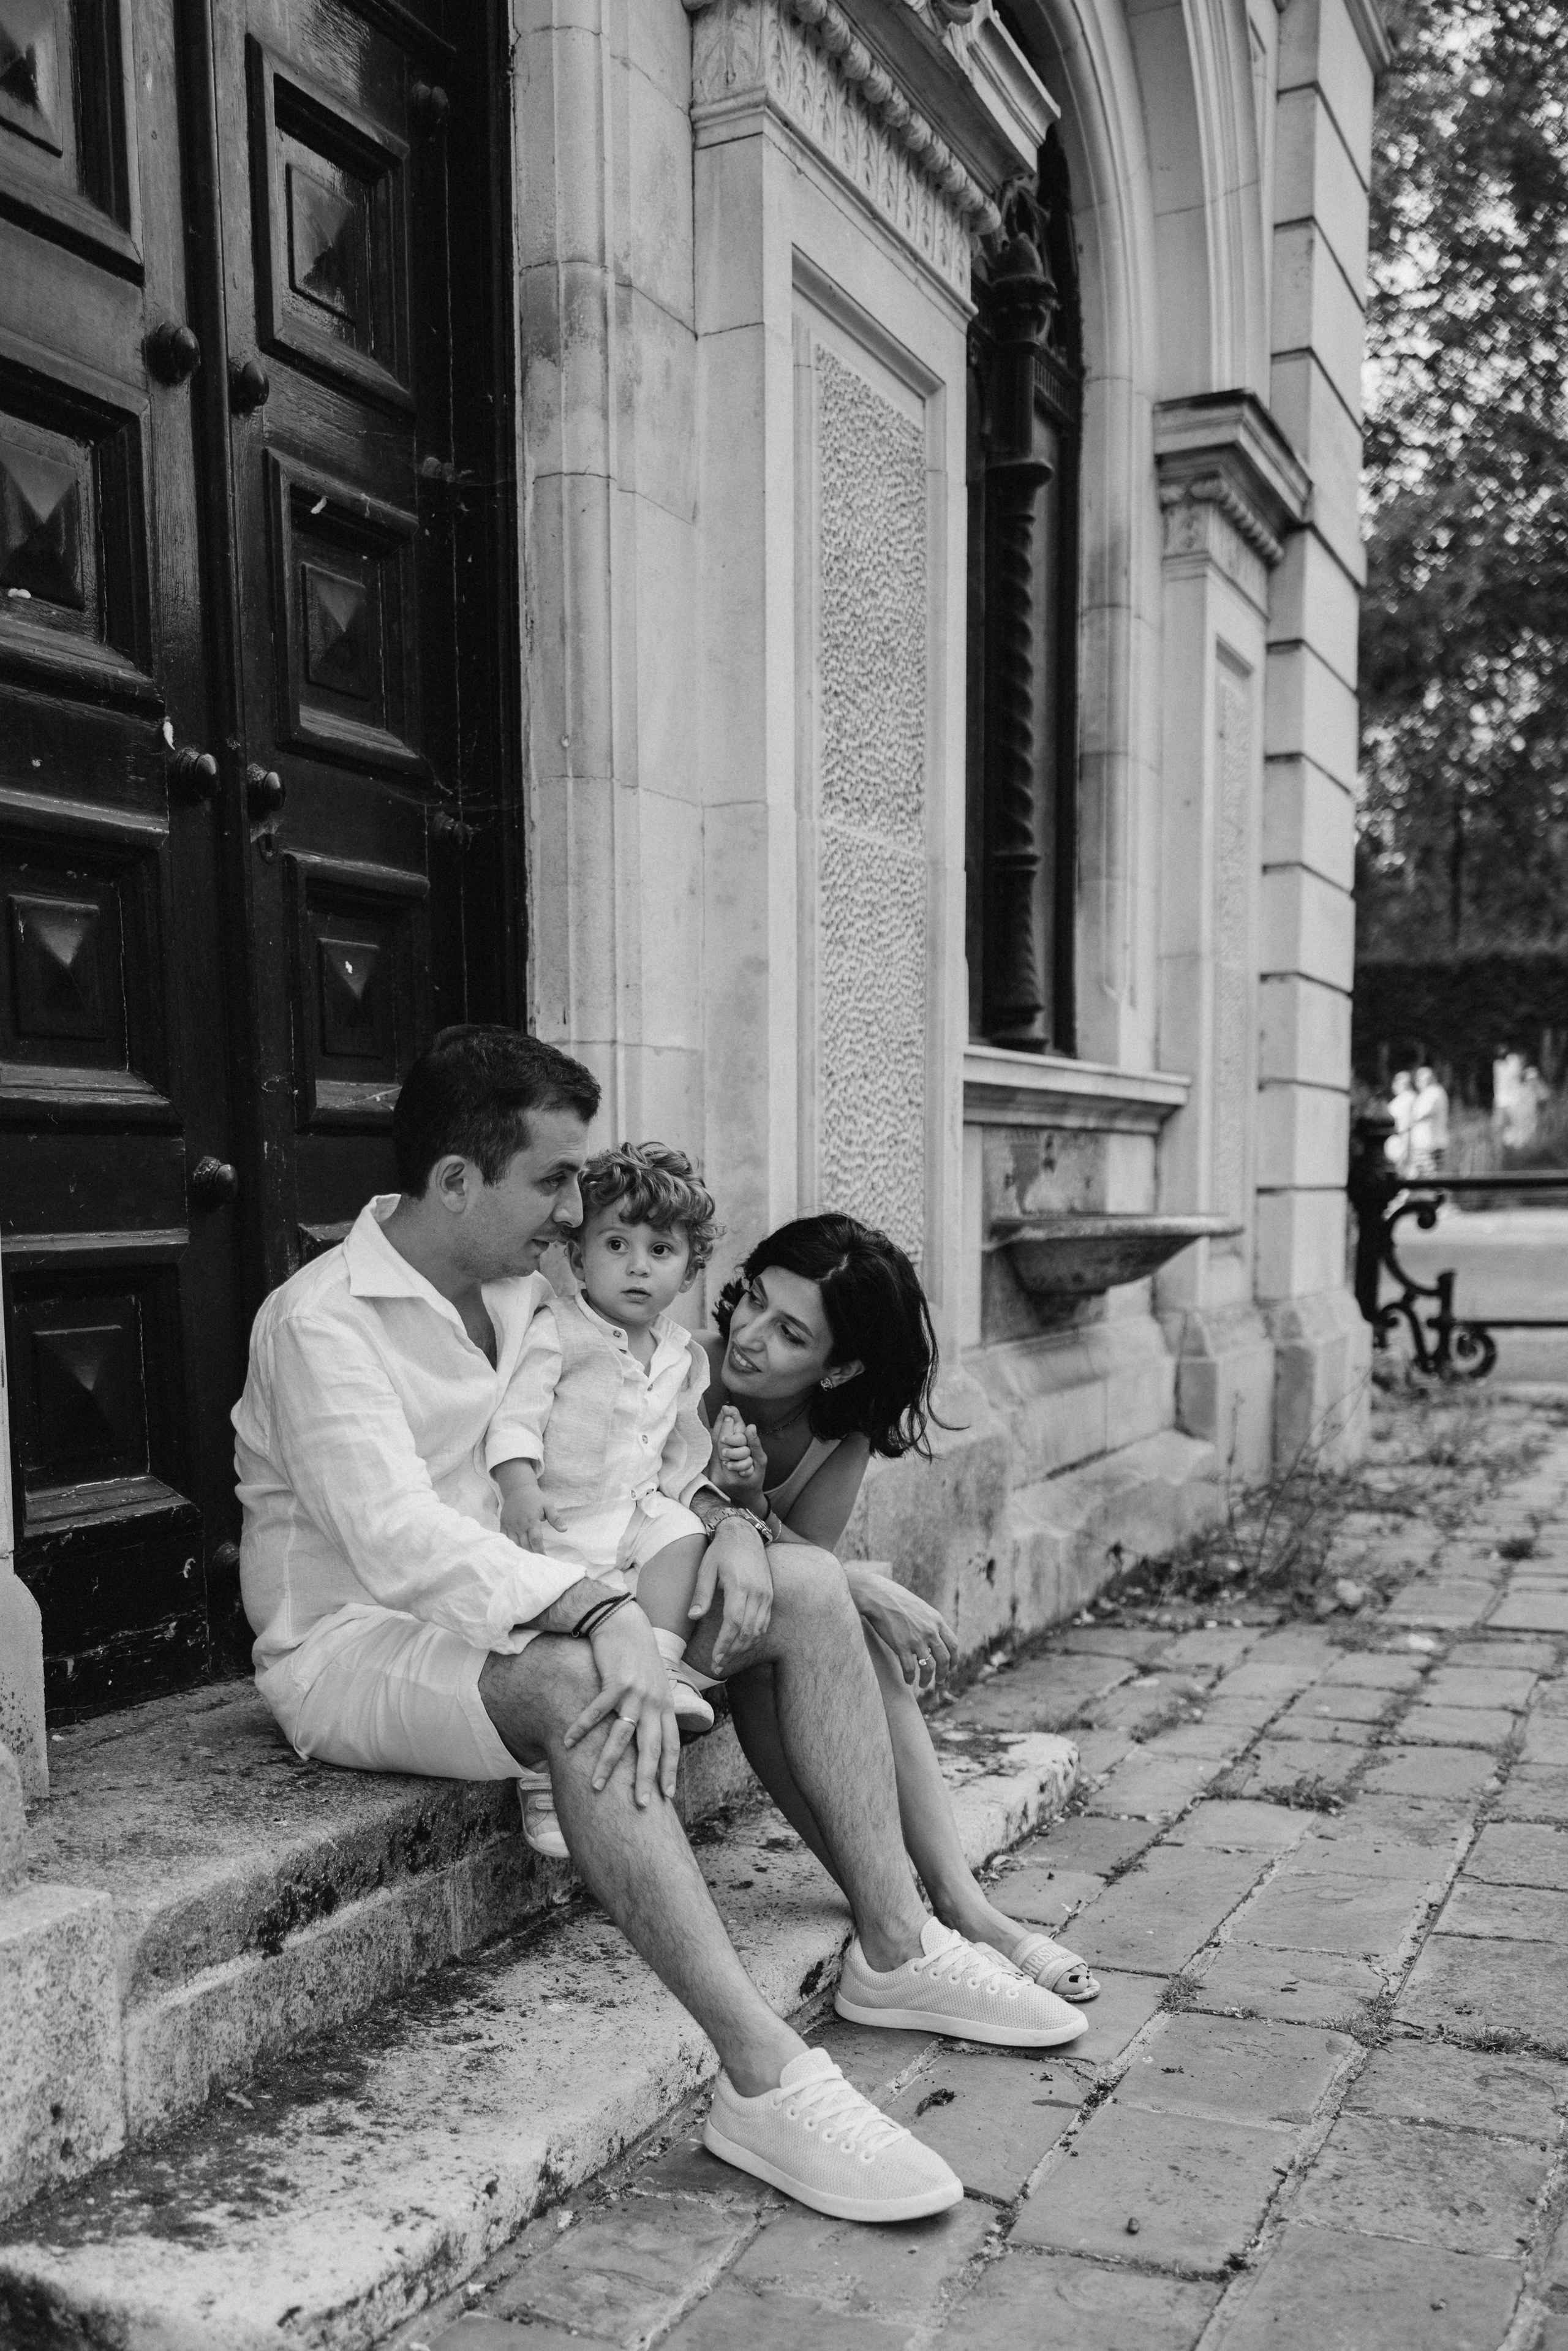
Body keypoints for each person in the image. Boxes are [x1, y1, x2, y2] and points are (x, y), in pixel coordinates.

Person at [233, 1026, 1087, 2232]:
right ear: (457, 1182)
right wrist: (599, 1610)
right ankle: (761, 2074)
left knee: (807, 1586)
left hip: (525, 1603)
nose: (577, 1208)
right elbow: (400, 1543)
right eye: (553, 1180)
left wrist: (727, 1530)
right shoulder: (319, 1322)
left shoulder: (524, 1289)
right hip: (356, 1644)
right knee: (583, 1667)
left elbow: (619, 1468)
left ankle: (894, 1942)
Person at [703, 1213, 1099, 2005]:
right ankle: (908, 1912)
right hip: (665, 1602)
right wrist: (863, 1583)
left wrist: (825, 1566)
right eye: (752, 1300)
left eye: (789, 1332)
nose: (748, 1333)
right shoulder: (691, 1372)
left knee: (830, 1636)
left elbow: (797, 1568)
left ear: (841, 1366)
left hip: (744, 1613)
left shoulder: (834, 1442)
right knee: (809, 1630)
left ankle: (958, 1906)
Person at [492, 1142, 723, 1859]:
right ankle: (541, 1781)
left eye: (660, 1250)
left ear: (688, 1270)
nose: (636, 1265)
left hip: (632, 1510)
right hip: (561, 1520)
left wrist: (705, 1502)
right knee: (561, 1651)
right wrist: (519, 1485)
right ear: (576, 1254)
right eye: (615, 1244)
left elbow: (684, 1448)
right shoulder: (558, 1330)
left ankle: (660, 1662)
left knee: (682, 1531)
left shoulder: (683, 1351)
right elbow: (515, 1417)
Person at [1410, 1064, 1449, 1178]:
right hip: (1432, 1143)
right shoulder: (1434, 1092)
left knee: (1431, 1178)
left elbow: (1419, 1115)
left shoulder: (1432, 1092)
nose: (1420, 1082)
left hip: (1429, 1144)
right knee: (1432, 1178)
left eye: (1424, 1078)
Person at [1385, 1069, 1415, 1174]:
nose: (1394, 1084)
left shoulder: (1406, 1099)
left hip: (1402, 1145)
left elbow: (1405, 1127)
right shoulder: (1407, 1098)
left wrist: (1405, 1153)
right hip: (1399, 1144)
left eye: (1398, 1081)